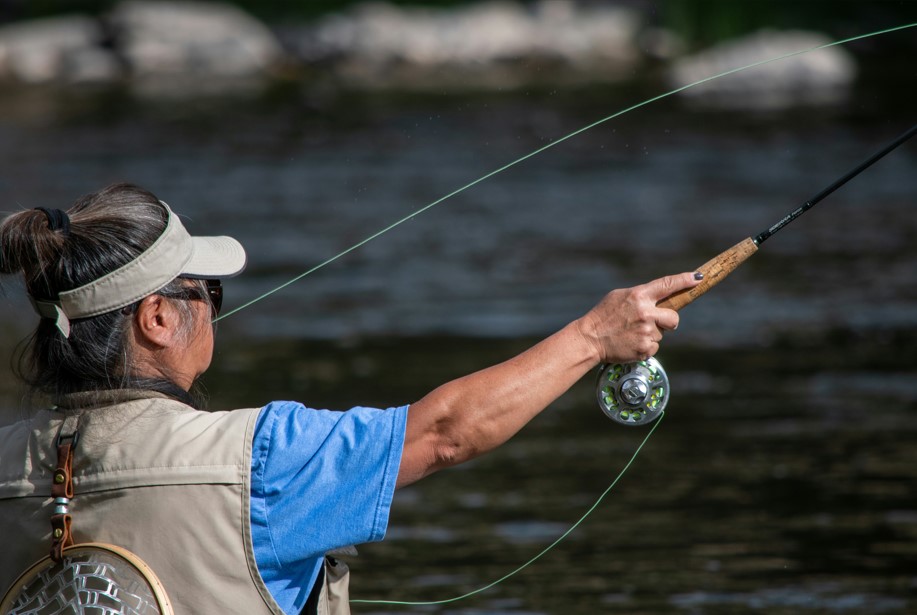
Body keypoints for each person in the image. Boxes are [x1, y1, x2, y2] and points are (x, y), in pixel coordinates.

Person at [0, 183, 701, 614]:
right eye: (205, 291)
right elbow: (448, 430)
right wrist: (593, 335)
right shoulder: (263, 458)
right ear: (155, 317)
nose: (213, 307)